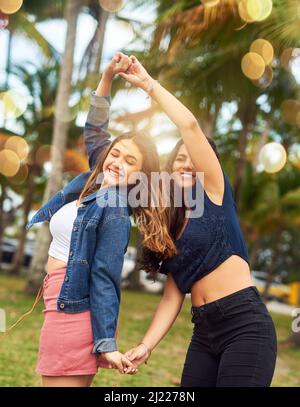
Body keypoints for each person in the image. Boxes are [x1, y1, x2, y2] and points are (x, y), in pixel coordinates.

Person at [2, 53, 175, 387]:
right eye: (116, 153)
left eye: (130, 161)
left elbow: (105, 276)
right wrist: (109, 74)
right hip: (58, 304)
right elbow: (96, 128)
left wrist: (106, 343)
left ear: (139, 176)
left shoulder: (113, 205)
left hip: (74, 312)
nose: (117, 162)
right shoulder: (97, 180)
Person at [120, 55, 277, 387]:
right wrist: (146, 346)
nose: (186, 164)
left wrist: (150, 85)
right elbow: (172, 297)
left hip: (244, 325)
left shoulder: (216, 193)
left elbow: (189, 127)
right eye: (179, 160)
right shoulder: (173, 227)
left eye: (194, 158)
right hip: (204, 333)